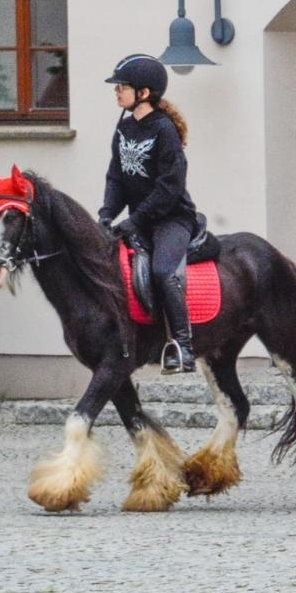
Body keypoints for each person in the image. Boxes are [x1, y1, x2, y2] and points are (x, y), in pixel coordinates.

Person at [98, 53, 200, 373]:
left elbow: (169, 187)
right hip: (139, 219)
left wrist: (133, 220)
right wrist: (106, 214)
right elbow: (116, 176)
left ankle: (183, 347)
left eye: (122, 87)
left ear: (143, 93)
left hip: (172, 219)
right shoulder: (124, 128)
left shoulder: (164, 129)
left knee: (161, 272)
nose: (117, 92)